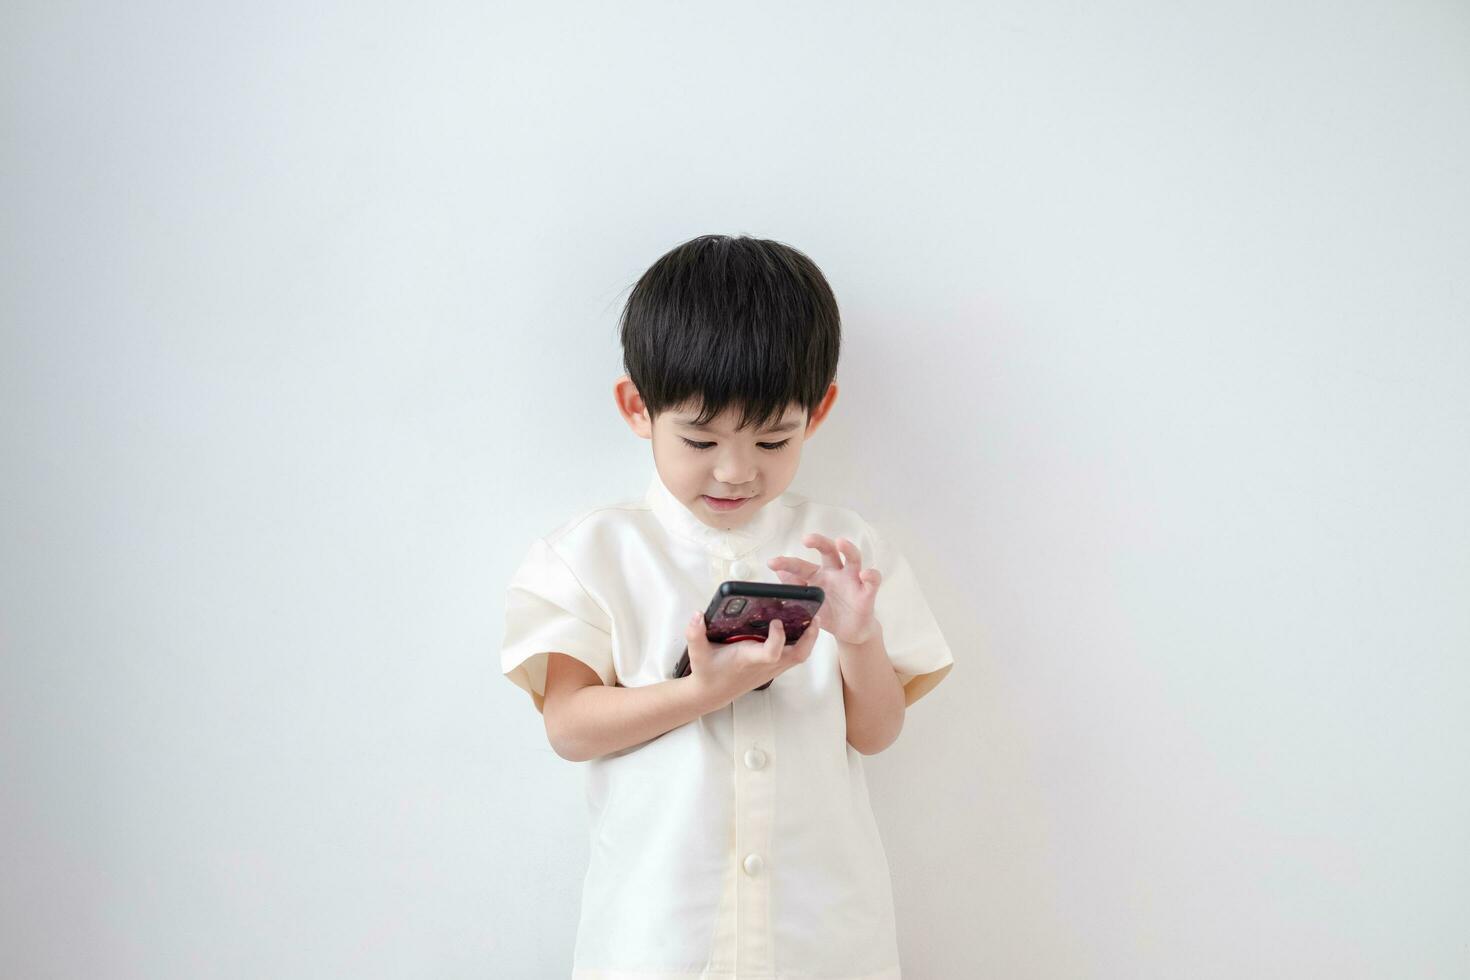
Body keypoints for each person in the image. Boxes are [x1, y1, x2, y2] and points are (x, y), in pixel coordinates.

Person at [499, 233, 955, 980]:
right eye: (701, 439)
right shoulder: (594, 554)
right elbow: (570, 728)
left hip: (820, 940)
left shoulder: (846, 548)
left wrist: (861, 637)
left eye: (774, 439)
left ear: (819, 411)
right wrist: (701, 693)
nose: (737, 471)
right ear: (637, 408)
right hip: (659, 943)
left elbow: (876, 733)